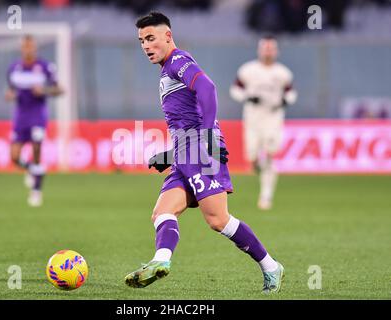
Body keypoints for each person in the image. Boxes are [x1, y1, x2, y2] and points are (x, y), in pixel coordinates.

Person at [124, 12, 284, 294]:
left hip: (201, 150)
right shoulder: (166, 70)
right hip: (186, 151)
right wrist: (171, 153)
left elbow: (207, 88)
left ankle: (271, 266)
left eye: (150, 38)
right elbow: (187, 118)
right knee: (162, 212)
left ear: (168, 36)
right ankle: (160, 261)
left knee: (218, 219)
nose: (146, 46)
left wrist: (208, 135)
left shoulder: (178, 60)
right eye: (141, 41)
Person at [230, 35, 297, 210]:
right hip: (253, 117)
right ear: (260, 50)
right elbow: (235, 89)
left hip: (273, 117)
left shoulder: (283, 73)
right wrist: (247, 97)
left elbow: (291, 93)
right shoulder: (248, 70)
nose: (268, 51)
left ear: (276, 51)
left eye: (271, 48)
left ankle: (266, 196)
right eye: (265, 48)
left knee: (269, 154)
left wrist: (285, 101)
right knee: (251, 157)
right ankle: (258, 166)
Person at [5, 35, 64, 207]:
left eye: (31, 46)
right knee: (14, 157)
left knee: (37, 147)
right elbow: (10, 90)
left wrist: (44, 90)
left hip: (38, 115)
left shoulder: (45, 67)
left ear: (35, 48)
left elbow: (59, 89)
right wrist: (9, 95)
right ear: (21, 48)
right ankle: (31, 169)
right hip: (20, 117)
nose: (28, 49)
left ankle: (36, 191)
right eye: (25, 46)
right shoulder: (14, 69)